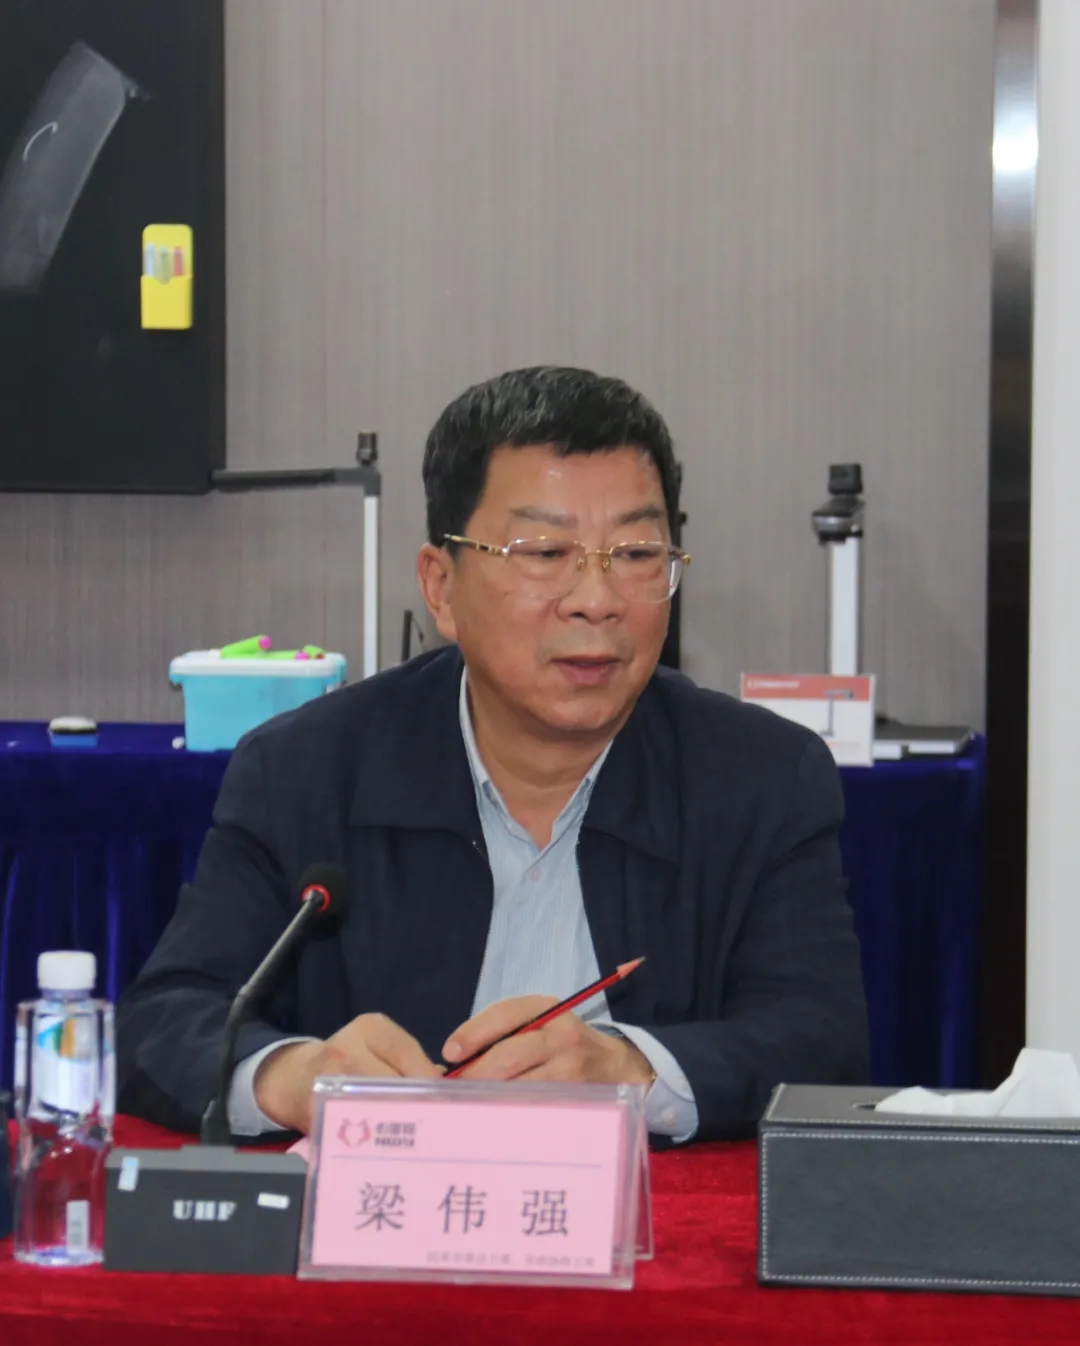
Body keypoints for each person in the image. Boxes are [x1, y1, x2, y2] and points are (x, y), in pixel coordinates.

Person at [117, 366, 869, 1143]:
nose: (597, 600)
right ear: (441, 588)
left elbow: (822, 1040)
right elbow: (164, 1019)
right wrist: (292, 1076)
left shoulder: (761, 779)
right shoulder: (305, 771)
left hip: (648, 1216)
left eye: (636, 552)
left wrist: (634, 1070)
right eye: (544, 551)